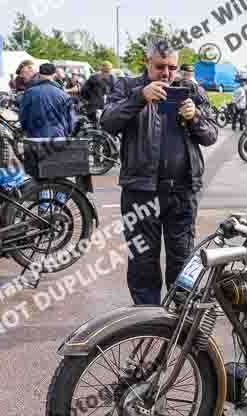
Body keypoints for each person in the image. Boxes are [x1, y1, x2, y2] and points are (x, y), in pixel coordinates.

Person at [101, 38, 217, 305]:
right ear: (147, 63)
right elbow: (107, 122)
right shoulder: (128, 86)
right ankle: (147, 320)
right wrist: (140, 97)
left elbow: (211, 135)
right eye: (160, 67)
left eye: (172, 68)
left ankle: (180, 322)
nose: (167, 73)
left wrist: (195, 117)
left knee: (183, 259)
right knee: (142, 261)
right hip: (141, 192)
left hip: (182, 191)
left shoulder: (190, 89)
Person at [19, 63, 76, 138]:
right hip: (58, 136)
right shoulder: (63, 95)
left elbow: (23, 115)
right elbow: (71, 119)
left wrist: (25, 129)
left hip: (34, 136)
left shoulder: (29, 93)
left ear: (39, 74)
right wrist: (69, 132)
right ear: (54, 75)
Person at [81, 61, 115, 126]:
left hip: (94, 106)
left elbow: (84, 91)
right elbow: (114, 93)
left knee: (93, 126)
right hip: (106, 108)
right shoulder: (111, 78)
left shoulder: (93, 77)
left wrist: (87, 100)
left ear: (101, 68)